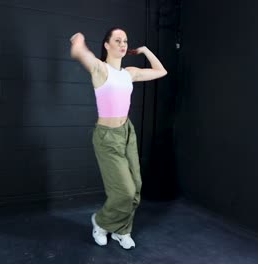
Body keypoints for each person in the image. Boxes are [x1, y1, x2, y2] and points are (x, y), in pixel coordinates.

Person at [69, 28, 167, 249]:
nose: (123, 44)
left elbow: (161, 71)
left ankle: (122, 230)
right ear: (107, 45)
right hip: (107, 137)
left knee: (137, 188)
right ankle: (101, 222)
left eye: (125, 41)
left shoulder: (129, 72)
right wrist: (79, 40)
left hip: (127, 132)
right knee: (125, 191)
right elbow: (79, 51)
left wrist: (145, 50)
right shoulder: (100, 69)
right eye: (117, 40)